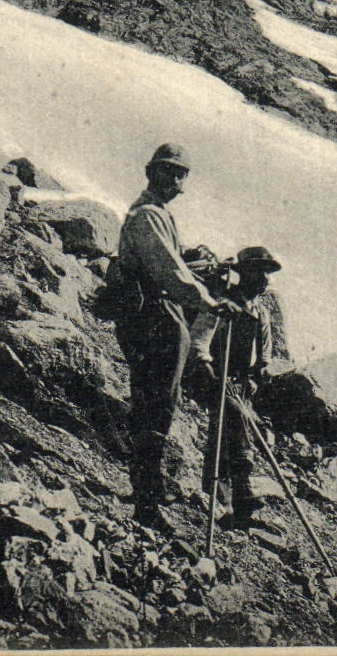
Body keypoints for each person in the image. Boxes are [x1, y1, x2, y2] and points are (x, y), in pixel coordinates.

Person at [113, 143, 228, 529]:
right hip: (150, 316)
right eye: (168, 172)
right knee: (155, 401)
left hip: (161, 314)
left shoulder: (161, 215)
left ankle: (150, 486)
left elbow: (176, 264)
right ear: (151, 173)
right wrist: (209, 302)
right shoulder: (146, 216)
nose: (175, 181)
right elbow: (169, 272)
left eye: (181, 174)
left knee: (163, 399)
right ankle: (145, 501)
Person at [191, 246, 283, 527]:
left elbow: (265, 356)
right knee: (237, 419)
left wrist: (257, 377)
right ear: (246, 274)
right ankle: (243, 494)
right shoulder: (223, 302)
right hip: (212, 378)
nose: (266, 278)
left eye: (268, 273)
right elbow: (199, 340)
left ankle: (221, 500)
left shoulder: (261, 313)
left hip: (242, 383)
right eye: (260, 271)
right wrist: (209, 369)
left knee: (224, 433)